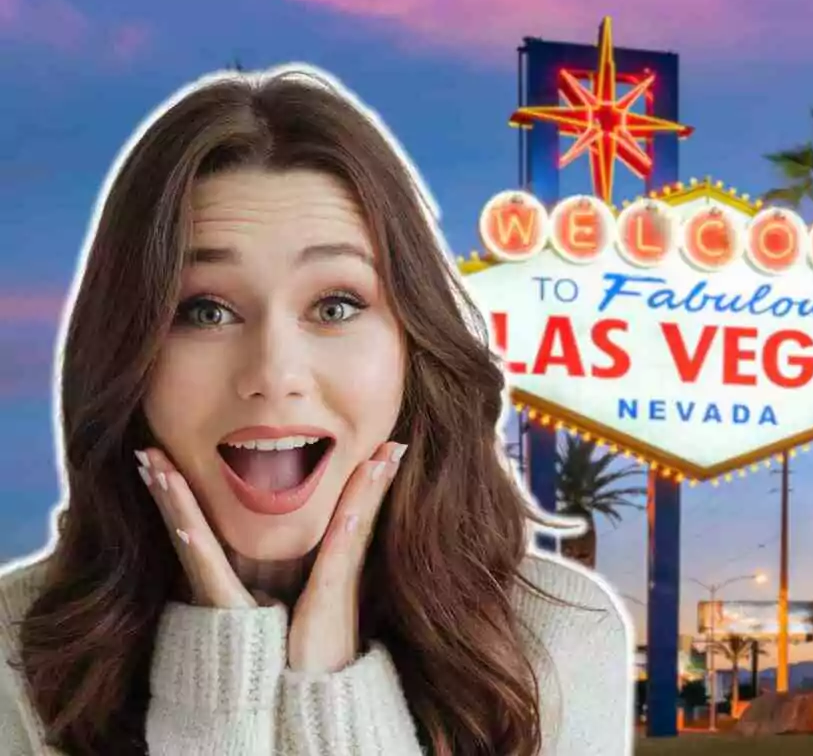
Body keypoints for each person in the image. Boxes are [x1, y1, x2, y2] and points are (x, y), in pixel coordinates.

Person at [0, 65, 634, 756]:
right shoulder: (14, 647)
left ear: (410, 345)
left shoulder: (553, 637)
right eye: (204, 310)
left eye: (335, 306)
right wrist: (218, 690)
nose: (274, 374)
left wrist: (332, 682)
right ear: (125, 352)